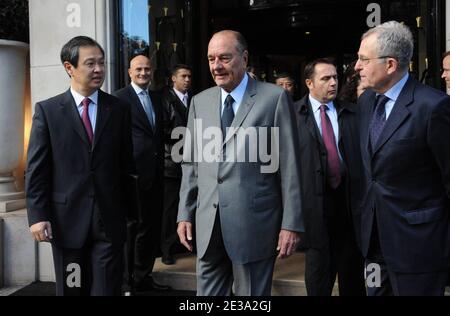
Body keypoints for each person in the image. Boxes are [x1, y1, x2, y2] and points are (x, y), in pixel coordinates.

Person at [177, 30, 303, 296]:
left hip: (255, 225)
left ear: (244, 58)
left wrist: (290, 223)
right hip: (208, 224)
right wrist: (184, 213)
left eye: (224, 57)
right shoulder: (200, 102)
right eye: (211, 59)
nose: (216, 66)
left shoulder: (273, 98)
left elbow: (290, 165)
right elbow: (191, 164)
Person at [26, 36, 133, 296]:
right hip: (67, 223)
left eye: (101, 63)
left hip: (109, 222)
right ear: (69, 67)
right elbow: (37, 169)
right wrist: (38, 216)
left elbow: (126, 164)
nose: (98, 69)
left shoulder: (118, 109)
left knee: (106, 290)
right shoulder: (48, 111)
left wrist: (130, 214)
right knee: (73, 289)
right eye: (90, 63)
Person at [355, 21, 450, 296]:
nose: (356, 66)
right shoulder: (366, 103)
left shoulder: (433, 107)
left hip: (419, 247)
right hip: (373, 243)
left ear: (391, 65)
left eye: (363, 59)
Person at [294, 58, 366, 296]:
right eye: (325, 78)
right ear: (309, 83)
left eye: (335, 77)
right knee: (318, 280)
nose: (333, 83)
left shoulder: (351, 113)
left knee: (352, 279)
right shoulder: (292, 115)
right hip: (315, 209)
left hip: (348, 207)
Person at [114, 55, 170, 292]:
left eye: (147, 69)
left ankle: (143, 275)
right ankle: (127, 283)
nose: (143, 73)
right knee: (132, 231)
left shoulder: (157, 98)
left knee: (150, 228)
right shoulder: (119, 99)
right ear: (129, 72)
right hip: (133, 176)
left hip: (156, 175)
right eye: (139, 69)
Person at [160, 64, 192, 265]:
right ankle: (167, 249)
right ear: (173, 78)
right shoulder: (165, 100)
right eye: (183, 76)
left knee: (190, 205)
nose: (187, 79)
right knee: (170, 209)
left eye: (189, 76)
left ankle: (185, 244)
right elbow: (163, 130)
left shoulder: (195, 99)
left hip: (192, 163)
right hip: (172, 164)